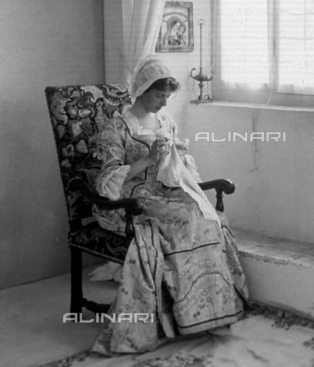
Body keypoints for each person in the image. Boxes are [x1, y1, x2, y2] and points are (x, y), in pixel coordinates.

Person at [91, 56, 248, 355]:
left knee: (206, 217)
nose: (163, 103)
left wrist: (175, 161)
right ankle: (174, 317)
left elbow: (177, 165)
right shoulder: (118, 126)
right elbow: (108, 181)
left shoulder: (165, 121)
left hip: (165, 189)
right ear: (142, 90)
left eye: (167, 96)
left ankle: (206, 314)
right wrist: (148, 159)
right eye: (158, 95)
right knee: (185, 218)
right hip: (131, 197)